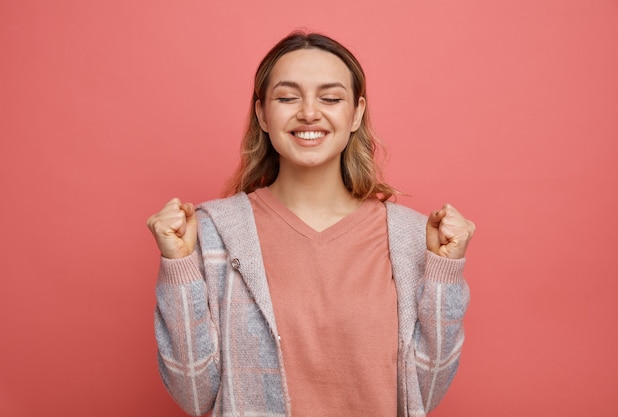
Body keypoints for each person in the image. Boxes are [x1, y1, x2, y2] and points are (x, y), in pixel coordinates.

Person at [147, 31, 475, 417]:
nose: (308, 112)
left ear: (355, 113)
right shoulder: (213, 232)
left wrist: (444, 273)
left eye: (331, 98)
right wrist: (179, 267)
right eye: (287, 97)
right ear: (262, 114)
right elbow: (194, 393)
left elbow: (425, 392)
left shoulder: (411, 238)